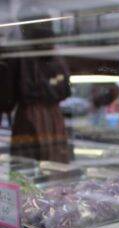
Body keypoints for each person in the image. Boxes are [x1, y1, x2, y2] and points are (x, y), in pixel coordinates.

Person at [2, 11, 71, 162]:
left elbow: (7, 100)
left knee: (27, 167)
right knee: (53, 166)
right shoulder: (56, 55)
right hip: (55, 117)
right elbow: (66, 90)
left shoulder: (19, 53)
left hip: (29, 117)